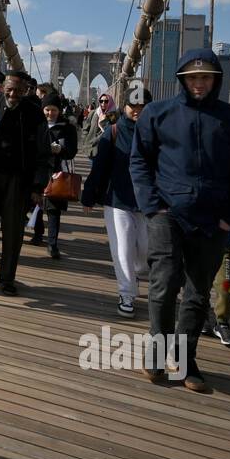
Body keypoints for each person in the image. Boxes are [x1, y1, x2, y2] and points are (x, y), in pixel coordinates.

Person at [130, 49, 230, 392]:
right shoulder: (157, 113)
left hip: (214, 219)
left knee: (198, 293)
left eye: (206, 77)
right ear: (182, 81)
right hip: (167, 213)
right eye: (192, 78)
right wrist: (152, 206)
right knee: (164, 282)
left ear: (217, 80)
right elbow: (139, 161)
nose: (199, 84)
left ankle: (186, 361)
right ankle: (157, 353)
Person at [80, 88, 152, 317]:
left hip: (148, 202)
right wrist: (89, 194)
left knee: (147, 251)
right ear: (125, 107)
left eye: (143, 107)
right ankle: (127, 293)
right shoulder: (112, 132)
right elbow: (99, 167)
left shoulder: (159, 134)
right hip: (118, 200)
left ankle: (137, 274)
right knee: (122, 249)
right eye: (134, 106)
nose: (138, 111)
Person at [0, 72, 43, 296]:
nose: (13, 94)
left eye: (19, 90)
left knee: (13, 231)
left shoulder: (34, 112)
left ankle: (7, 276)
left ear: (26, 90)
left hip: (18, 179)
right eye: (9, 89)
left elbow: (42, 152)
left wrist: (37, 187)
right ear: (3, 87)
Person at [37, 96, 78, 259]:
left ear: (59, 111)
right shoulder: (36, 125)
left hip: (57, 172)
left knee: (54, 209)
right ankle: (38, 234)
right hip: (38, 171)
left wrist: (60, 149)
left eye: (54, 110)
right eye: (47, 109)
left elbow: (72, 151)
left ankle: (52, 244)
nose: (50, 113)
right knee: (36, 205)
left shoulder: (67, 128)